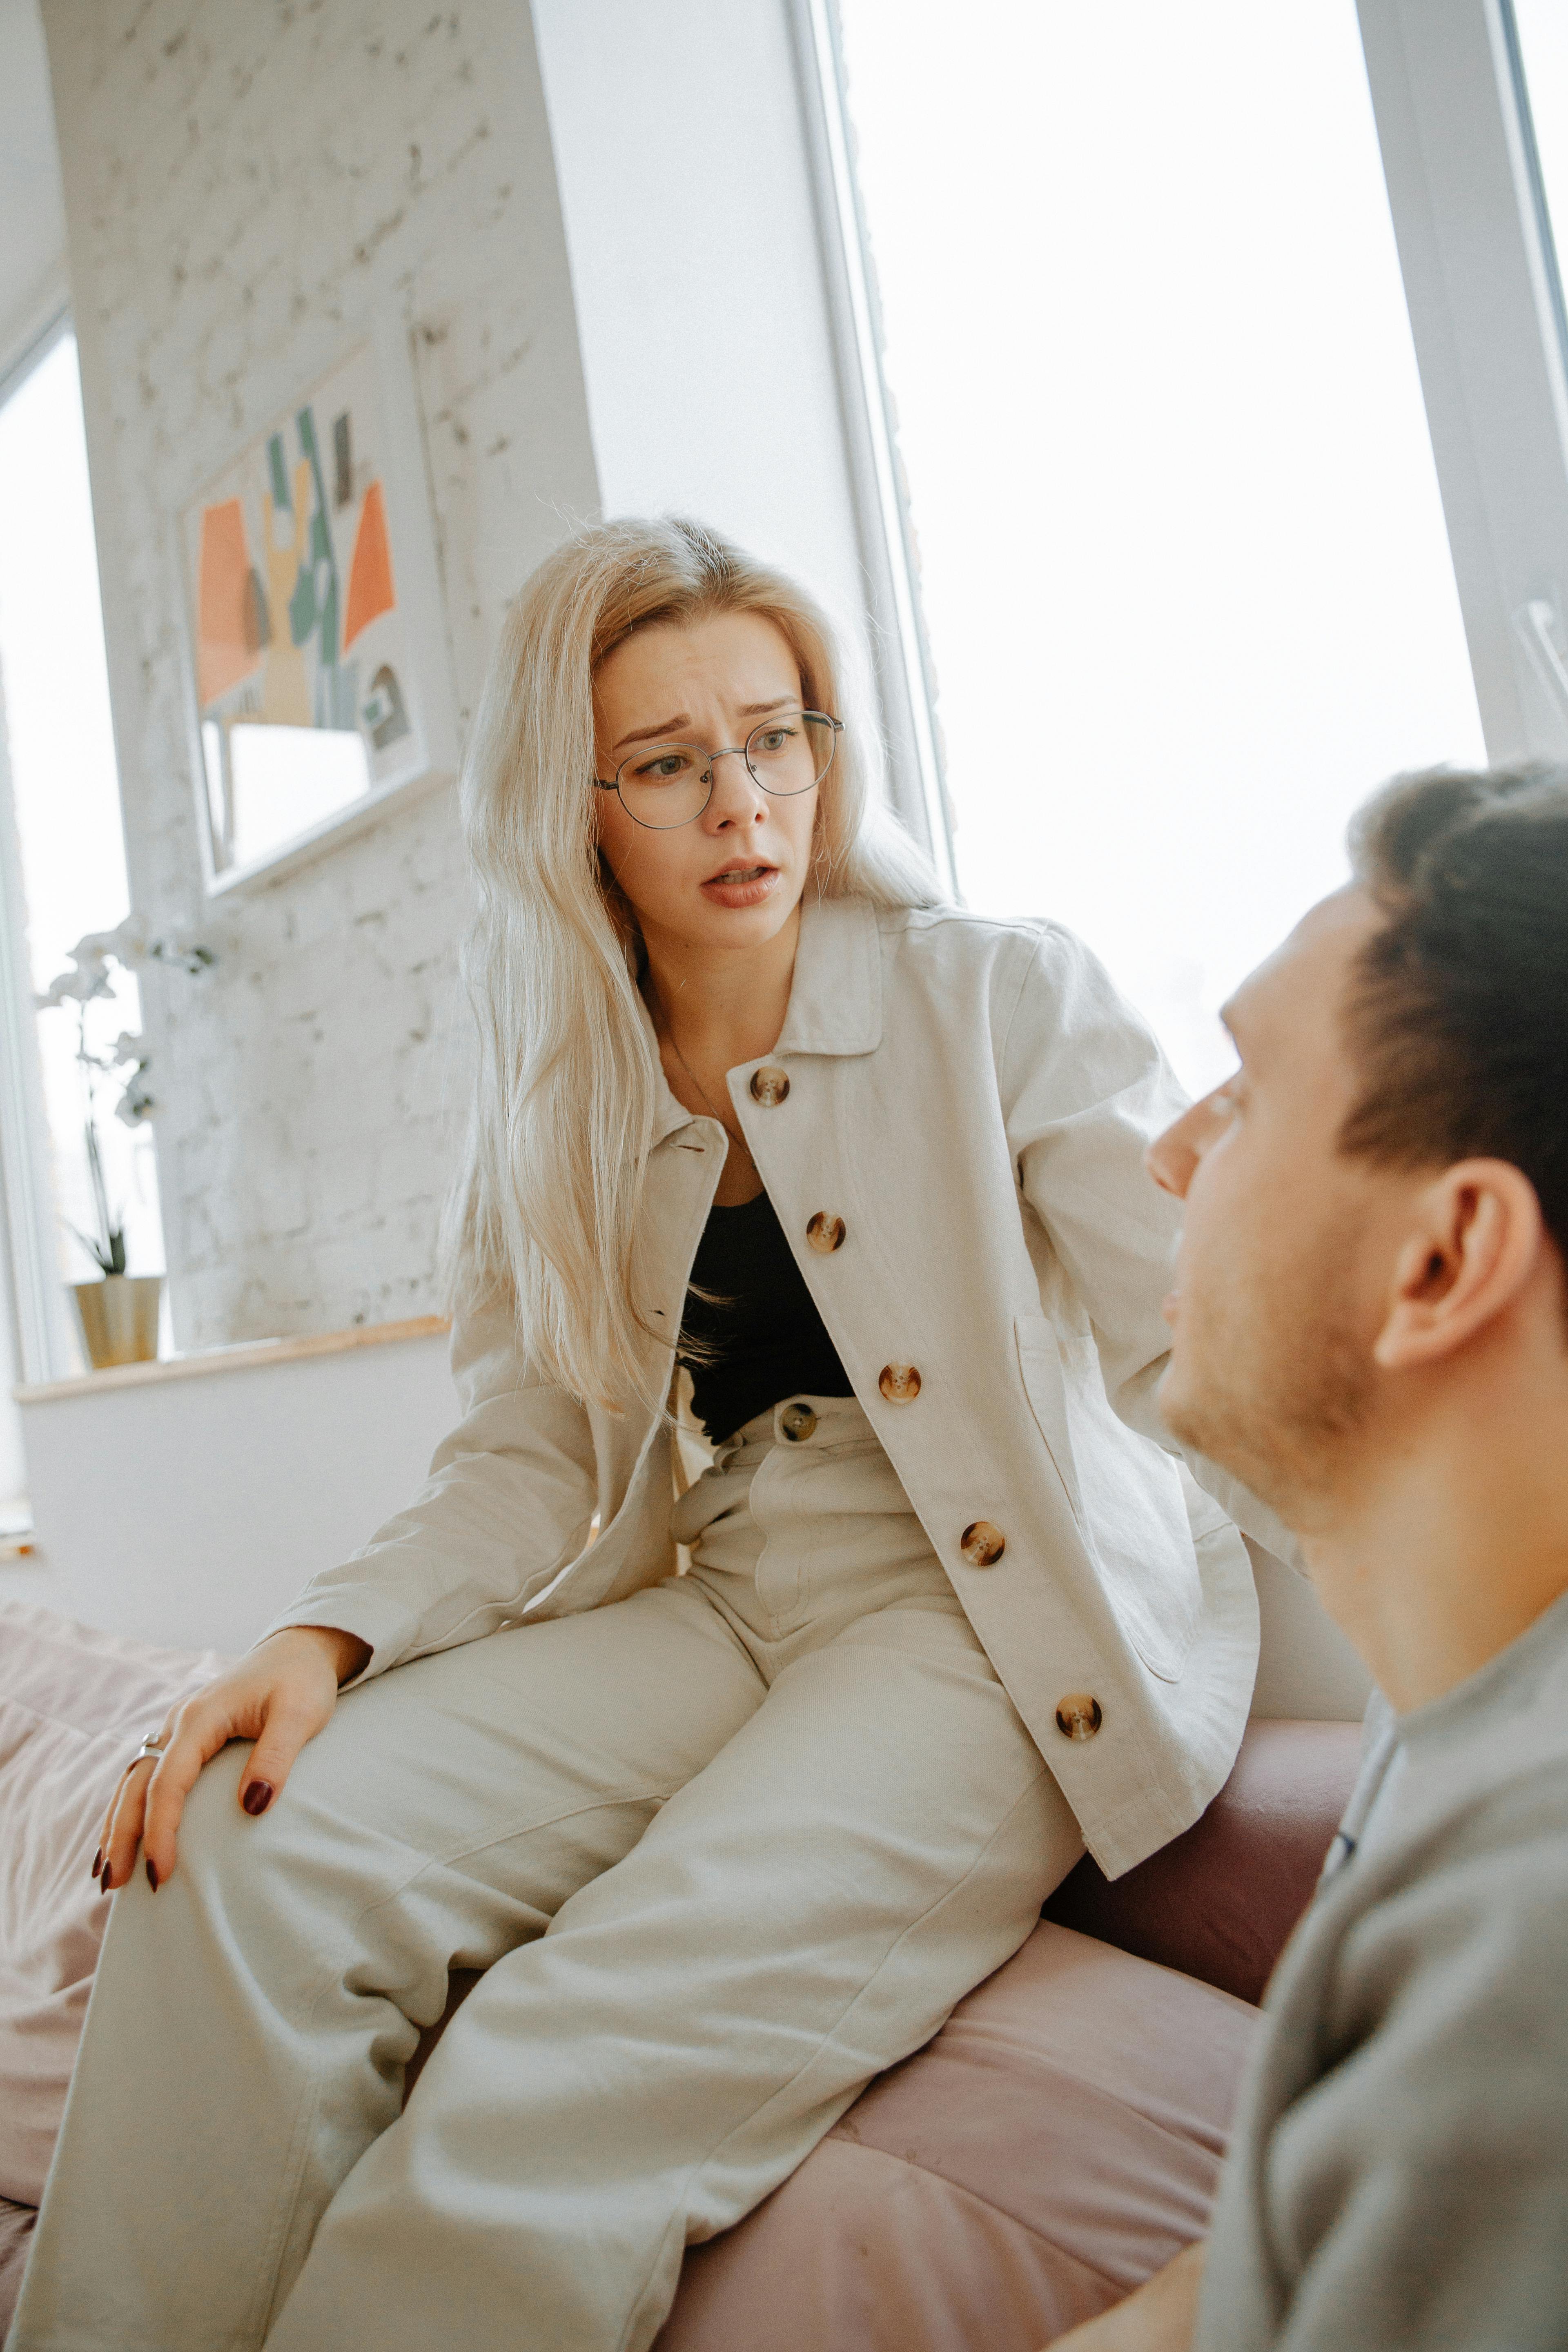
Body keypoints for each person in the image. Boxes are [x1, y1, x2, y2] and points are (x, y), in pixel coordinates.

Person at [12, 517, 1270, 2352]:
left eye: (778, 738)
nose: (744, 804)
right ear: (571, 805)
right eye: (671, 767)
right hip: (738, 1584)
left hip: (988, 1621)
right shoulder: (557, 1092)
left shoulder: (997, 991)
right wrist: (321, 1636)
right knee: (240, 1847)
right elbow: (528, 1452)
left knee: (557, 2062)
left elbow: (1197, 1348)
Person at [1052, 762, 1568, 2351]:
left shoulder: (1525, 1944)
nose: (1168, 1161)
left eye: (1250, 1096)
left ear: (1444, 1259)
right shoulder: (1464, 1701)